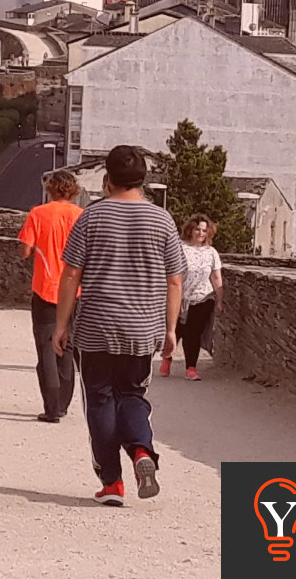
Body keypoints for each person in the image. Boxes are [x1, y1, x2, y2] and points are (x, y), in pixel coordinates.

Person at [53, 145, 185, 507]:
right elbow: (175, 280)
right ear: (143, 180)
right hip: (141, 330)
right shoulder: (163, 221)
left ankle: (112, 482)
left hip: (96, 326)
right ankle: (142, 451)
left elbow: (71, 275)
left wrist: (61, 325)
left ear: (107, 180)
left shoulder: (91, 218)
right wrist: (171, 329)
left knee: (99, 400)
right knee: (133, 395)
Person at [19, 169, 84, 423]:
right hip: (75, 291)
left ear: (51, 188)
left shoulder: (38, 213)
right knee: (66, 348)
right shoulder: (81, 216)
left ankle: (52, 406)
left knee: (46, 348)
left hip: (45, 288)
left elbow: (25, 251)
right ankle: (64, 404)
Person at [165, 215, 224, 381]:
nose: (200, 233)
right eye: (197, 229)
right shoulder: (179, 248)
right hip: (180, 297)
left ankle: (191, 368)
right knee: (176, 331)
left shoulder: (211, 253)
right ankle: (167, 359)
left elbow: (216, 277)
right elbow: (169, 272)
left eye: (204, 230)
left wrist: (219, 300)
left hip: (203, 298)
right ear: (190, 230)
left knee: (194, 333)